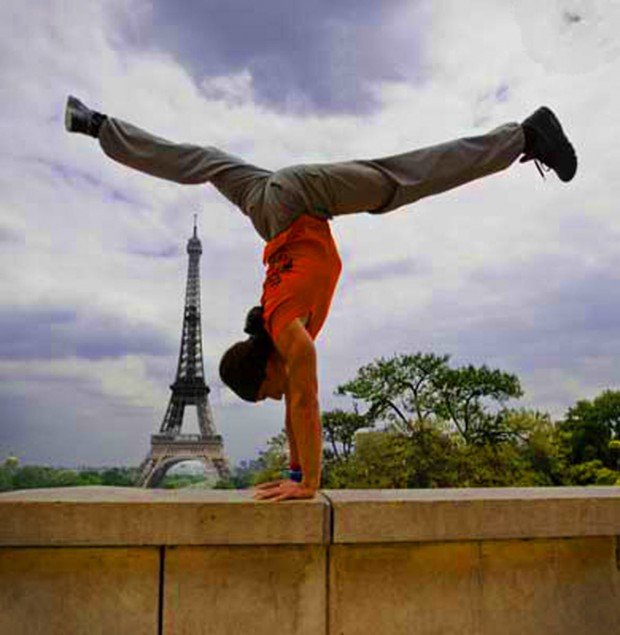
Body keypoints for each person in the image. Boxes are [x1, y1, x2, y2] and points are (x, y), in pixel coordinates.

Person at [64, 95, 577, 502]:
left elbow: (304, 398)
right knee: (201, 160)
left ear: (266, 368)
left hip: (297, 201)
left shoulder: (287, 328)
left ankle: (526, 134)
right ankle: (96, 124)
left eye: (268, 392)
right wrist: (291, 470)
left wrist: (308, 481)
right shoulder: (277, 323)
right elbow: (295, 404)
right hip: (267, 207)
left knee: (404, 179)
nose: (278, 396)